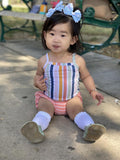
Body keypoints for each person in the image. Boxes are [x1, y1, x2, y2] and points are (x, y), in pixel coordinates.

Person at [21, 1, 106, 143]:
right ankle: (36, 127)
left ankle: (90, 127)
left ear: (73, 39)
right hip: (48, 98)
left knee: (77, 110)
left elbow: (86, 76)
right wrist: (37, 82)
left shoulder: (77, 60)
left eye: (62, 35)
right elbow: (37, 76)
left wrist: (92, 90)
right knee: (44, 109)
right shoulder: (44, 60)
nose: (56, 39)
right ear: (45, 35)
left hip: (70, 99)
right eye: (52, 33)